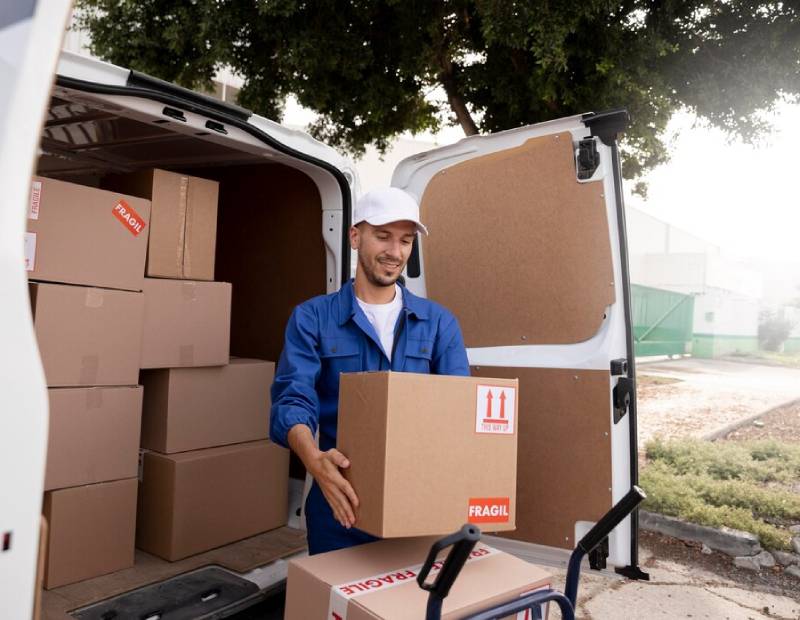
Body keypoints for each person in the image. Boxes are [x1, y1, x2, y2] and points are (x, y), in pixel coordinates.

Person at [269, 187, 470, 555]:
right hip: (340, 506)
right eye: (383, 236)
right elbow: (291, 399)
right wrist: (314, 461)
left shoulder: (439, 323)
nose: (396, 252)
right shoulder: (312, 318)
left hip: (419, 506)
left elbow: (458, 409)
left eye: (406, 241)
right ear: (355, 237)